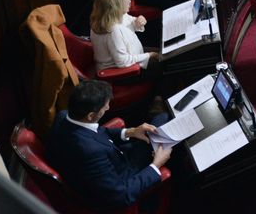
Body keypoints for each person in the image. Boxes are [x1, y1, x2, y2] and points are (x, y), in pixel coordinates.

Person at [47, 80, 171, 210]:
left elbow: (98, 131)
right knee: (163, 120)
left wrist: (132, 132)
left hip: (112, 157)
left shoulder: (64, 116)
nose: (108, 108)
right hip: (122, 176)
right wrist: (156, 164)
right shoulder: (90, 153)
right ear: (91, 115)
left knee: (160, 121)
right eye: (105, 106)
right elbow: (120, 196)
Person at [89, 0, 157, 71]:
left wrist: (138, 21)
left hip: (134, 56)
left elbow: (130, 22)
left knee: (166, 52)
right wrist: (149, 55)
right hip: (123, 71)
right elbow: (123, 62)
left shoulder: (116, 16)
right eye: (125, 0)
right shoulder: (113, 30)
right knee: (166, 61)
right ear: (115, 7)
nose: (129, 1)